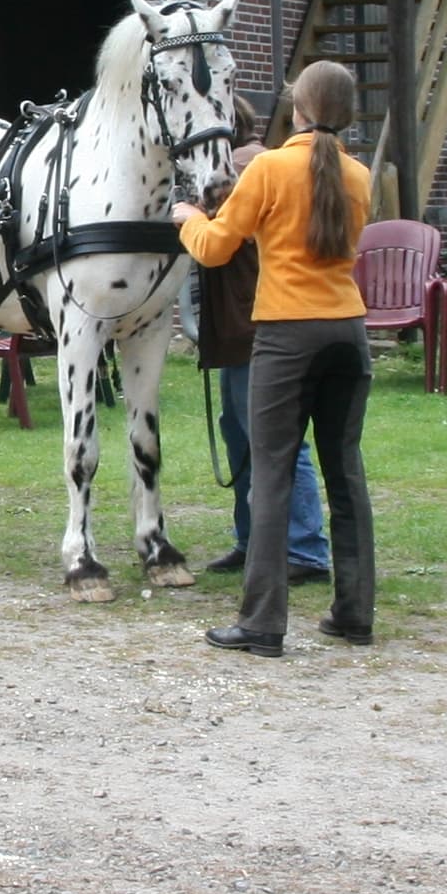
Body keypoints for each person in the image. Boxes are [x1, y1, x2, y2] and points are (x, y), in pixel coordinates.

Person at [175, 61, 375, 654]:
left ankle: (263, 622)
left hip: (287, 335)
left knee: (272, 474)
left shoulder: (268, 167)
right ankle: (354, 613)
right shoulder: (360, 175)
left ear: (298, 108)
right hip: (349, 329)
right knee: (346, 473)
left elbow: (213, 251)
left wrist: (188, 219)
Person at [197, 97, 330, 586]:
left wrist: (186, 215)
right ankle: (253, 538)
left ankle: (305, 550)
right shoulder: (252, 162)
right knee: (242, 434)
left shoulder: (242, 166)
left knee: (273, 438)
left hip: (258, 324)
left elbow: (216, 242)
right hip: (243, 327)